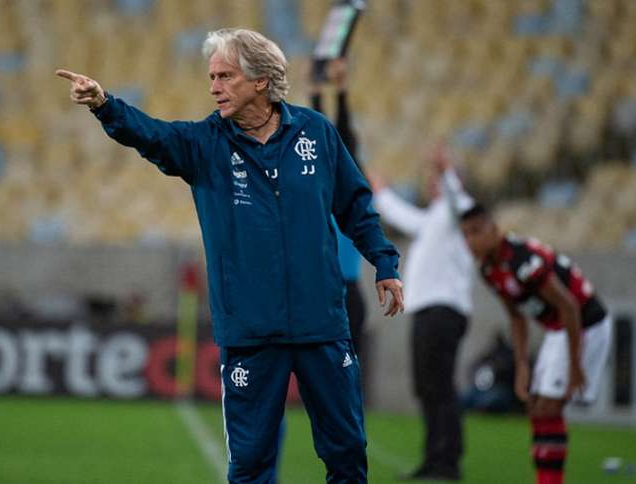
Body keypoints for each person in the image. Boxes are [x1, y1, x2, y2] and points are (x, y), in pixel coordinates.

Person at [56, 28, 404, 484]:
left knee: (347, 455)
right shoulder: (205, 144)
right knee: (251, 464)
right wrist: (105, 104)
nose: (214, 86)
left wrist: (385, 262)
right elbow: (151, 135)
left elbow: (356, 205)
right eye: (212, 76)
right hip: (251, 332)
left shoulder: (316, 134)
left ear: (261, 81)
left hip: (322, 323)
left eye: (225, 76)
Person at [460, 204, 612, 484]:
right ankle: (547, 477)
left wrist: (576, 364)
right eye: (465, 234)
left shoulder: (521, 260)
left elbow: (569, 306)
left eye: (476, 232)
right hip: (558, 329)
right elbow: (516, 317)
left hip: (585, 324)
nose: (471, 241)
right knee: (536, 406)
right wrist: (521, 366)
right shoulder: (488, 270)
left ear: (494, 230)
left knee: (549, 407)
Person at [371, 149, 475, 481]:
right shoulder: (434, 219)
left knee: (439, 385)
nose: (432, 184)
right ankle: (434, 458)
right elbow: (402, 216)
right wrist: (381, 191)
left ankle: (449, 460)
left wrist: (446, 169)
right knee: (427, 387)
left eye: (438, 180)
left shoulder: (457, 212)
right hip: (428, 312)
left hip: (443, 310)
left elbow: (459, 197)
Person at [309, 58, 367, 364]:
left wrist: (340, 91)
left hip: (343, 291)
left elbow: (342, 138)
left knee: (345, 369)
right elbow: (317, 139)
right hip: (321, 289)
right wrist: (316, 92)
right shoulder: (319, 189)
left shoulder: (351, 190)